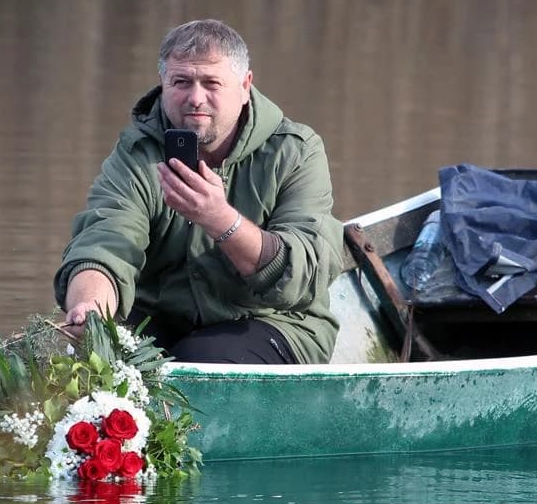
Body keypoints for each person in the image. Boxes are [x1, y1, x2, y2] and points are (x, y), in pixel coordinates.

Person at [54, 19, 343, 364]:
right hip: (160, 318)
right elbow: (105, 241)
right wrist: (90, 306)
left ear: (245, 86)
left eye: (211, 83)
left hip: (275, 321)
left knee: (199, 357)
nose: (195, 98)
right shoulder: (137, 153)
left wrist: (220, 220)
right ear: (163, 84)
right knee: (88, 353)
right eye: (181, 82)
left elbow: (304, 278)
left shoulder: (297, 151)